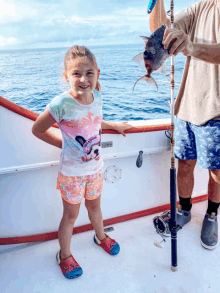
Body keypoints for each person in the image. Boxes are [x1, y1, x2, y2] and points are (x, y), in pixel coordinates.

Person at [32, 45, 132, 279]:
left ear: (97, 73)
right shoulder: (60, 104)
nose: (83, 79)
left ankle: (100, 236)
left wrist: (114, 125)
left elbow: (95, 121)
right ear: (66, 76)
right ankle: (64, 255)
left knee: (95, 207)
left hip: (95, 169)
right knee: (70, 216)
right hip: (72, 174)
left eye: (89, 73)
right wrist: (64, 145)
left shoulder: (97, 96)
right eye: (76, 73)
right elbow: (37, 129)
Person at [149, 0, 220, 249]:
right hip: (186, 105)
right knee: (184, 165)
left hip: (216, 109)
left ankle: (212, 215)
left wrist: (189, 45)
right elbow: (161, 29)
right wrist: (156, 4)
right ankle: (185, 209)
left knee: (218, 172)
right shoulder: (200, 7)